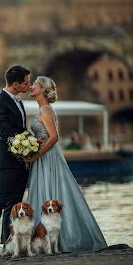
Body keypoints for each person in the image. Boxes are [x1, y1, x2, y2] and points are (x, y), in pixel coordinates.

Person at [27, 76, 107, 252]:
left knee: (52, 188)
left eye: (34, 85)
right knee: (46, 189)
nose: (31, 87)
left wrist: (36, 155)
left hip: (48, 158)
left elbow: (54, 137)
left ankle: (60, 239)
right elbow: (47, 136)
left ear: (42, 90)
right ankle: (42, 239)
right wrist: (33, 143)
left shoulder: (46, 110)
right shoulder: (43, 109)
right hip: (43, 156)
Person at [0, 64, 31, 258]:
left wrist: (29, 146)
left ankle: (7, 245)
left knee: (13, 205)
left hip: (21, 162)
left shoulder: (18, 102)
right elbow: (4, 133)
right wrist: (25, 147)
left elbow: (19, 129)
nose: (29, 85)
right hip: (6, 162)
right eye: (26, 82)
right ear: (15, 84)